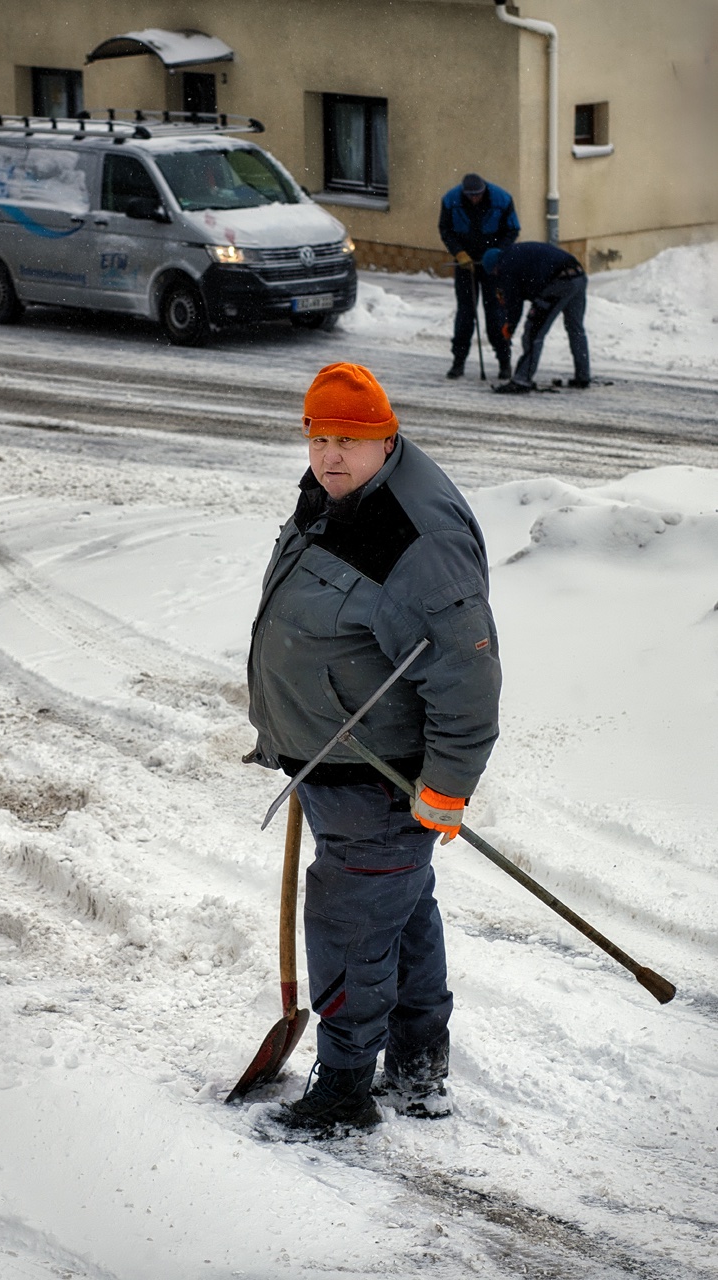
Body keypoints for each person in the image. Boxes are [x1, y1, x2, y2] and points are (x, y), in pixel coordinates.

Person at [246, 362, 501, 1138]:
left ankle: (344, 1095)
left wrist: (447, 785)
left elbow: (466, 672)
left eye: (348, 440)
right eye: (319, 437)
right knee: (400, 912)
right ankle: (418, 1069)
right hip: (339, 762)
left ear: (385, 437)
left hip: (378, 780)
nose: (329, 455)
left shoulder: (413, 537)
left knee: (353, 928)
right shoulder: (339, 496)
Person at [438, 172, 520, 381]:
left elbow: (512, 230)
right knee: (465, 315)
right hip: (466, 264)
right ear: (464, 193)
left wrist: (496, 255)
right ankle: (458, 362)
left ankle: (504, 361)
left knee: (495, 315)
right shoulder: (451, 200)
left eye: (478, 195)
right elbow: (445, 229)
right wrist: (458, 252)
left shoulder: (502, 199)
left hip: (492, 266)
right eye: (470, 196)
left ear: (484, 190)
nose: (474, 199)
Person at [482, 242, 591, 394]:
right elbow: (532, 281)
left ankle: (522, 380)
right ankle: (583, 376)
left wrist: (510, 325)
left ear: (494, 267)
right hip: (578, 274)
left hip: (559, 282)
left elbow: (515, 303)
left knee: (533, 332)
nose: (496, 276)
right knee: (576, 329)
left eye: (494, 273)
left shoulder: (505, 266)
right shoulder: (514, 253)